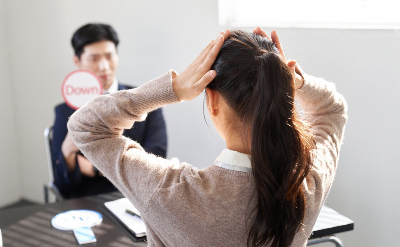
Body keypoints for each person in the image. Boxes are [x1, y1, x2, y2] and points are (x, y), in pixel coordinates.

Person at [67, 28, 348, 246]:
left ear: (212, 101)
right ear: (282, 92)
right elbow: (332, 110)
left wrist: (174, 88)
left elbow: (85, 126)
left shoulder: (170, 191)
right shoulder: (306, 182)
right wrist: (293, 80)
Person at [52, 23, 168, 199]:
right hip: (87, 202)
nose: (104, 66)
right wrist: (67, 151)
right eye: (94, 58)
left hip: (138, 198)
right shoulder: (65, 111)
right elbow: (63, 185)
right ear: (77, 61)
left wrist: (95, 168)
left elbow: (155, 159)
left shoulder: (144, 99)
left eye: (109, 56)